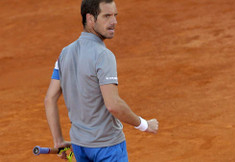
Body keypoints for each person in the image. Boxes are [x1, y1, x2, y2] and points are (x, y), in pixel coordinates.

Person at [44, 0, 159, 161]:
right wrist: (145, 125)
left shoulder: (64, 54)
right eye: (107, 16)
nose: (114, 22)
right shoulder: (103, 55)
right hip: (107, 148)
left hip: (80, 147)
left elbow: (50, 99)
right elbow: (113, 105)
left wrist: (58, 141)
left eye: (115, 16)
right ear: (90, 19)